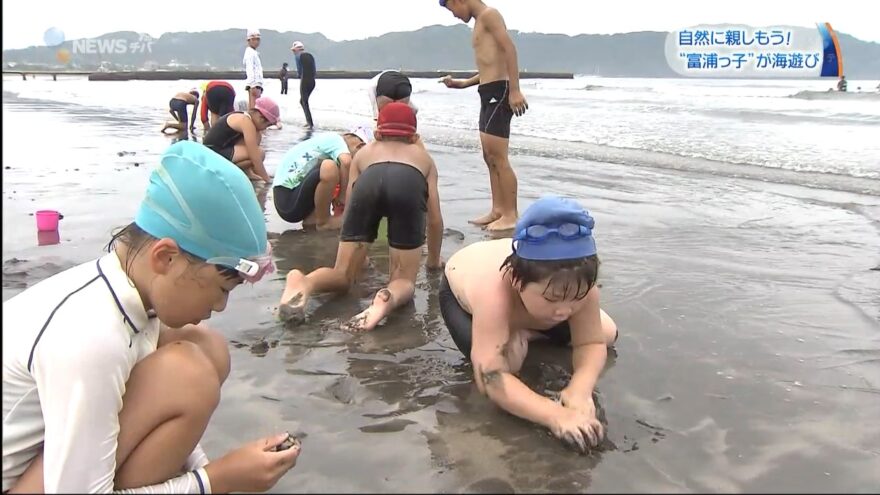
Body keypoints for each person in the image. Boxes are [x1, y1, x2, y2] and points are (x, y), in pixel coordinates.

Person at [2, 141, 300, 493]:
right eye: (221, 289)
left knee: (205, 347)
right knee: (188, 374)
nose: (220, 307)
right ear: (166, 258)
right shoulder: (90, 336)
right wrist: (215, 480)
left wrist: (209, 468)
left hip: (43, 469)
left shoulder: (126, 294)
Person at [438, 196, 618, 454]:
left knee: (609, 332)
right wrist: (555, 415)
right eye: (553, 299)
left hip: (532, 299)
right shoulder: (494, 292)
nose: (565, 310)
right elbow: (490, 376)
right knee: (508, 362)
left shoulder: (580, 288)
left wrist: (580, 388)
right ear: (515, 279)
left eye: (577, 297)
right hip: (462, 298)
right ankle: (517, 330)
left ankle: (529, 330)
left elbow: (591, 342)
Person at [278, 102, 444, 331]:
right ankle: (385, 299)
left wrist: (355, 248)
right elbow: (434, 219)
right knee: (403, 280)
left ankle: (305, 282)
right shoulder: (423, 158)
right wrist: (434, 261)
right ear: (415, 137)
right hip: (408, 181)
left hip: (369, 180)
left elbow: (350, 207)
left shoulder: (364, 154)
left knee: (343, 275)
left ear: (377, 133)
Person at [439, 0, 528, 232]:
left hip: (500, 92)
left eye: (451, 9)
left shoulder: (490, 15)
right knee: (488, 156)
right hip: (487, 91)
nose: (455, 16)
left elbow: (510, 50)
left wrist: (515, 90)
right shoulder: (480, 22)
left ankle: (511, 214)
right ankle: (498, 209)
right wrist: (463, 84)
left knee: (499, 156)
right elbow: (490, 64)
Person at [272, 127, 370, 230]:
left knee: (328, 169)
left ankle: (312, 223)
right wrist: (342, 197)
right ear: (361, 146)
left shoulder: (326, 147)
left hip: (289, 200)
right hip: (287, 198)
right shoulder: (335, 139)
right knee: (329, 167)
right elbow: (346, 162)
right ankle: (324, 222)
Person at [202, 97, 279, 183]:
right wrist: (267, 179)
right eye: (267, 125)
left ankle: (247, 172)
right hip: (211, 153)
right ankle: (227, 172)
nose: (265, 129)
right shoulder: (245, 121)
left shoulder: (246, 119)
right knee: (260, 153)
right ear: (261, 118)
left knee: (257, 137)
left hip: (216, 151)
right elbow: (254, 155)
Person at [291, 41, 316, 129]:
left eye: (294, 50)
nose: (293, 52)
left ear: (297, 49)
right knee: (303, 101)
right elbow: (314, 69)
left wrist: (299, 76)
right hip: (312, 82)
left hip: (305, 80)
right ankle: (309, 122)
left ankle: (309, 123)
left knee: (303, 101)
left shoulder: (298, 56)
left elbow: (299, 70)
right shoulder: (310, 55)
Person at [243, 29, 264, 110]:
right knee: (254, 109)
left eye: (258, 39)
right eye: (254, 39)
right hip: (254, 84)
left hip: (255, 84)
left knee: (253, 108)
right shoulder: (250, 53)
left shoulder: (252, 52)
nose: (257, 41)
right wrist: (253, 85)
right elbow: (250, 69)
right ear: (249, 40)